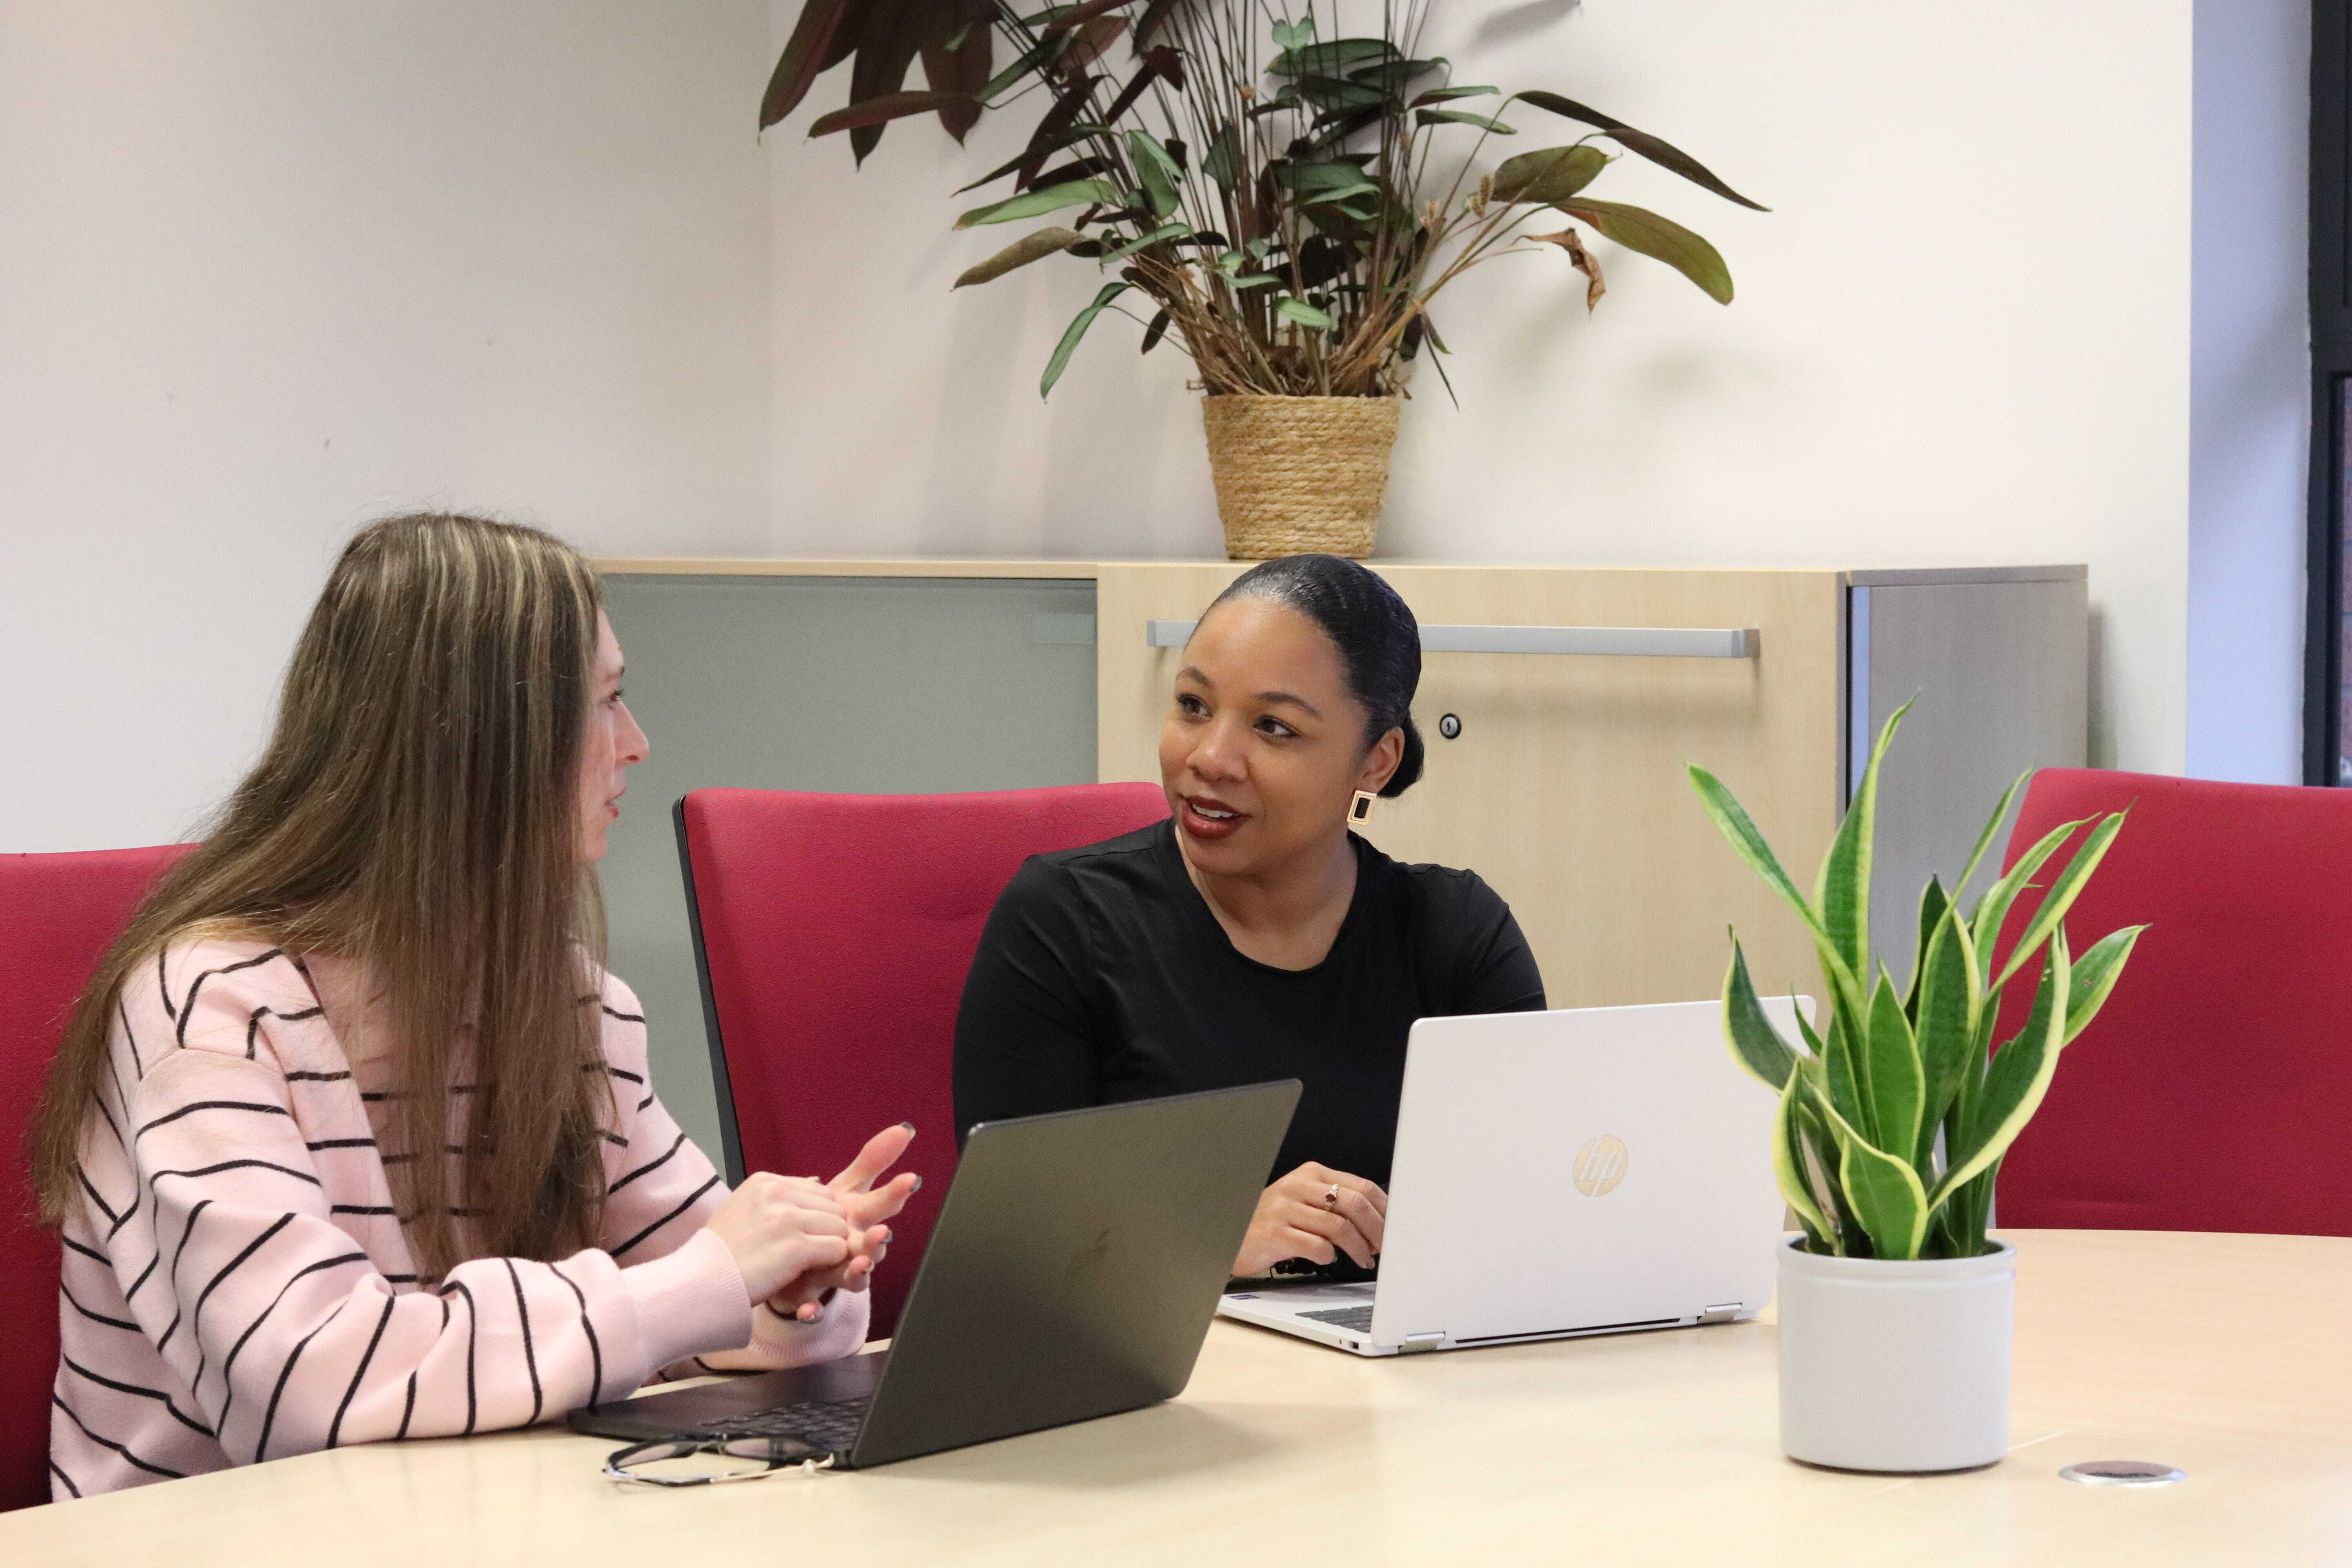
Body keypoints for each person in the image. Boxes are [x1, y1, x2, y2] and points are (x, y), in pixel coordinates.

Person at [32, 514, 918, 1498]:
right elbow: (309, 1384)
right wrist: (710, 1279)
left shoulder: (570, 1001)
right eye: (607, 703)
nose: (637, 744)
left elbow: (690, 1299)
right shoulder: (213, 1005)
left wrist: (795, 1287)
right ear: (475, 743)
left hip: (470, 1516)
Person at [953, 554, 1545, 1281]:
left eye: (1273, 727)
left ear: (1375, 763)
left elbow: (1526, 1209)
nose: (1211, 757)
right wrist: (1210, 1237)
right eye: (1194, 706)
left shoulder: (1456, 934)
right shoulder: (1064, 920)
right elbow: (1009, 1242)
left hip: (1397, 1366)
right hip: (1152, 1373)